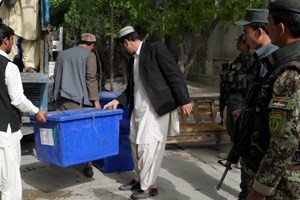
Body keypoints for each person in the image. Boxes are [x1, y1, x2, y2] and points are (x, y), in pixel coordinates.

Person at [104, 26, 193, 200]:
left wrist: (185, 100)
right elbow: (132, 87)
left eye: (123, 47)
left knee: (149, 147)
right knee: (135, 145)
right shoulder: (132, 60)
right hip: (138, 110)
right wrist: (118, 100)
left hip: (156, 110)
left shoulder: (155, 49)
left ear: (127, 42)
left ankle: (150, 186)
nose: (124, 51)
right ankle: (139, 180)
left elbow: (174, 74)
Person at [245, 0, 300, 199]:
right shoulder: (282, 64)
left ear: (282, 28)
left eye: (269, 22)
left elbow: (284, 141)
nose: (267, 28)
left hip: (282, 183)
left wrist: (259, 190)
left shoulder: (290, 74)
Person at [232, 9, 278, 200]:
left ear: (259, 32)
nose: (244, 36)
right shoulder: (259, 58)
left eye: (246, 31)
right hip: (251, 141)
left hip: (262, 146)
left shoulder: (274, 61)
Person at [0, 23, 46, 200]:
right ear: (5, 41)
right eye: (12, 40)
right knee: (10, 186)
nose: (13, 44)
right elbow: (18, 99)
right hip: (5, 133)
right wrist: (36, 111)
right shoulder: (9, 67)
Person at [52, 33, 100, 177]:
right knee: (86, 133)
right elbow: (91, 79)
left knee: (66, 132)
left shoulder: (62, 55)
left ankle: (65, 160)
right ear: (92, 45)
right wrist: (96, 101)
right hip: (79, 102)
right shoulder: (89, 55)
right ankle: (88, 165)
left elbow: (56, 76)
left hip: (61, 99)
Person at [219, 33, 253, 200]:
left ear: (246, 44)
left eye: (240, 41)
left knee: (240, 133)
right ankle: (235, 152)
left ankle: (237, 156)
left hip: (241, 100)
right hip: (233, 98)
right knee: (232, 130)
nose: (237, 44)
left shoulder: (252, 60)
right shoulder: (239, 59)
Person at [0, 0, 41, 72]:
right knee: (9, 35)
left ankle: (29, 65)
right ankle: (4, 62)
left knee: (30, 36)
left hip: (28, 6)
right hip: (11, 7)